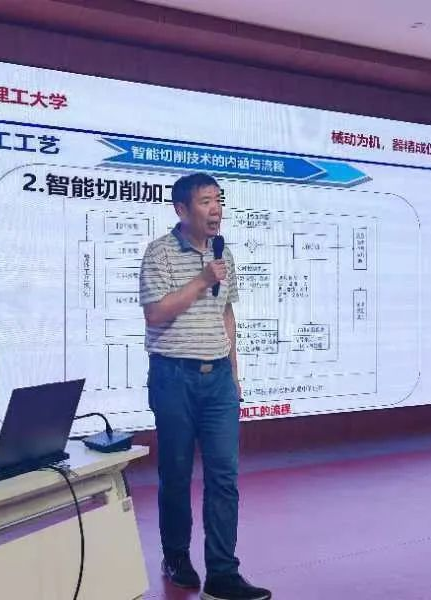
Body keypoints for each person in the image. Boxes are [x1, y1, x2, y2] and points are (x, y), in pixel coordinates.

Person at [139, 173, 271, 600]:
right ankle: (176, 557)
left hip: (218, 383)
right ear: (182, 209)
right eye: (205, 201)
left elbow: (226, 313)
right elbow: (155, 313)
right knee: (176, 475)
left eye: (218, 200)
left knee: (224, 478)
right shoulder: (159, 252)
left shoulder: (223, 252)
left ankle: (223, 574)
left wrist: (234, 374)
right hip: (173, 378)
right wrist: (200, 280)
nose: (215, 209)